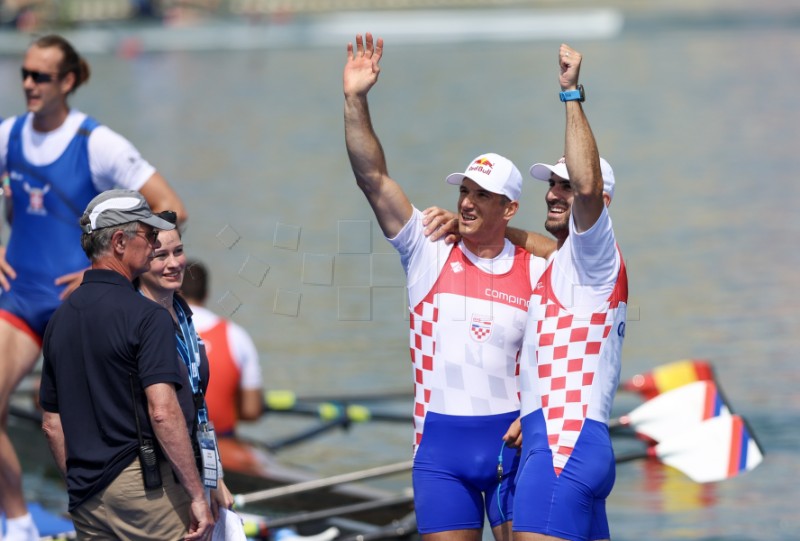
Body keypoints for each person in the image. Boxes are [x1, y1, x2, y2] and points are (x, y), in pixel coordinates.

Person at [343, 33, 549, 541]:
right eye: (464, 192)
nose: (468, 203)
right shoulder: (427, 247)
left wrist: (541, 411)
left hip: (513, 444)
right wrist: (355, 100)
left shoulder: (537, 269)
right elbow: (373, 177)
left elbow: (588, 263)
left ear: (510, 208)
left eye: (484, 195)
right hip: (440, 451)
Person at [0, 34, 186, 537]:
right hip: (19, 297)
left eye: (40, 76)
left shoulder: (98, 143)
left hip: (79, 304)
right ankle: (18, 522)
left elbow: (172, 210)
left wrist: (99, 269)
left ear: (67, 81)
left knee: (99, 419)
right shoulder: (8, 134)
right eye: (24, 74)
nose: (28, 84)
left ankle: (116, 503)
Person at [38, 189, 213, 539]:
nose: (152, 244)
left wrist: (79, 487)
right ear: (119, 241)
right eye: (148, 236)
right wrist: (196, 494)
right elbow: (162, 412)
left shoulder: (60, 319)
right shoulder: (148, 317)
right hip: (145, 491)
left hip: (86, 496)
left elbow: (52, 425)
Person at [512, 44, 628, 541]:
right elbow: (542, 244)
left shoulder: (596, 245)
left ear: (600, 202)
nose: (554, 192)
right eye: (550, 184)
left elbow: (585, 188)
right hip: (579, 445)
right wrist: (481, 229)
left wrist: (571, 94)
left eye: (565, 186)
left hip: (561, 449)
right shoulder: (567, 260)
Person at [135, 214, 235, 516]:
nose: (174, 263)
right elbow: (163, 413)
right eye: (160, 255)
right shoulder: (137, 318)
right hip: (154, 477)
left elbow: (194, 405)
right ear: (139, 261)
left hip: (192, 470)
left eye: (178, 251)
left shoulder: (182, 311)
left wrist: (214, 476)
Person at [180, 259, 263, 438]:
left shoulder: (159, 329)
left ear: (175, 292)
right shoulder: (237, 335)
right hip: (220, 440)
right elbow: (251, 410)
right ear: (207, 294)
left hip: (174, 439)